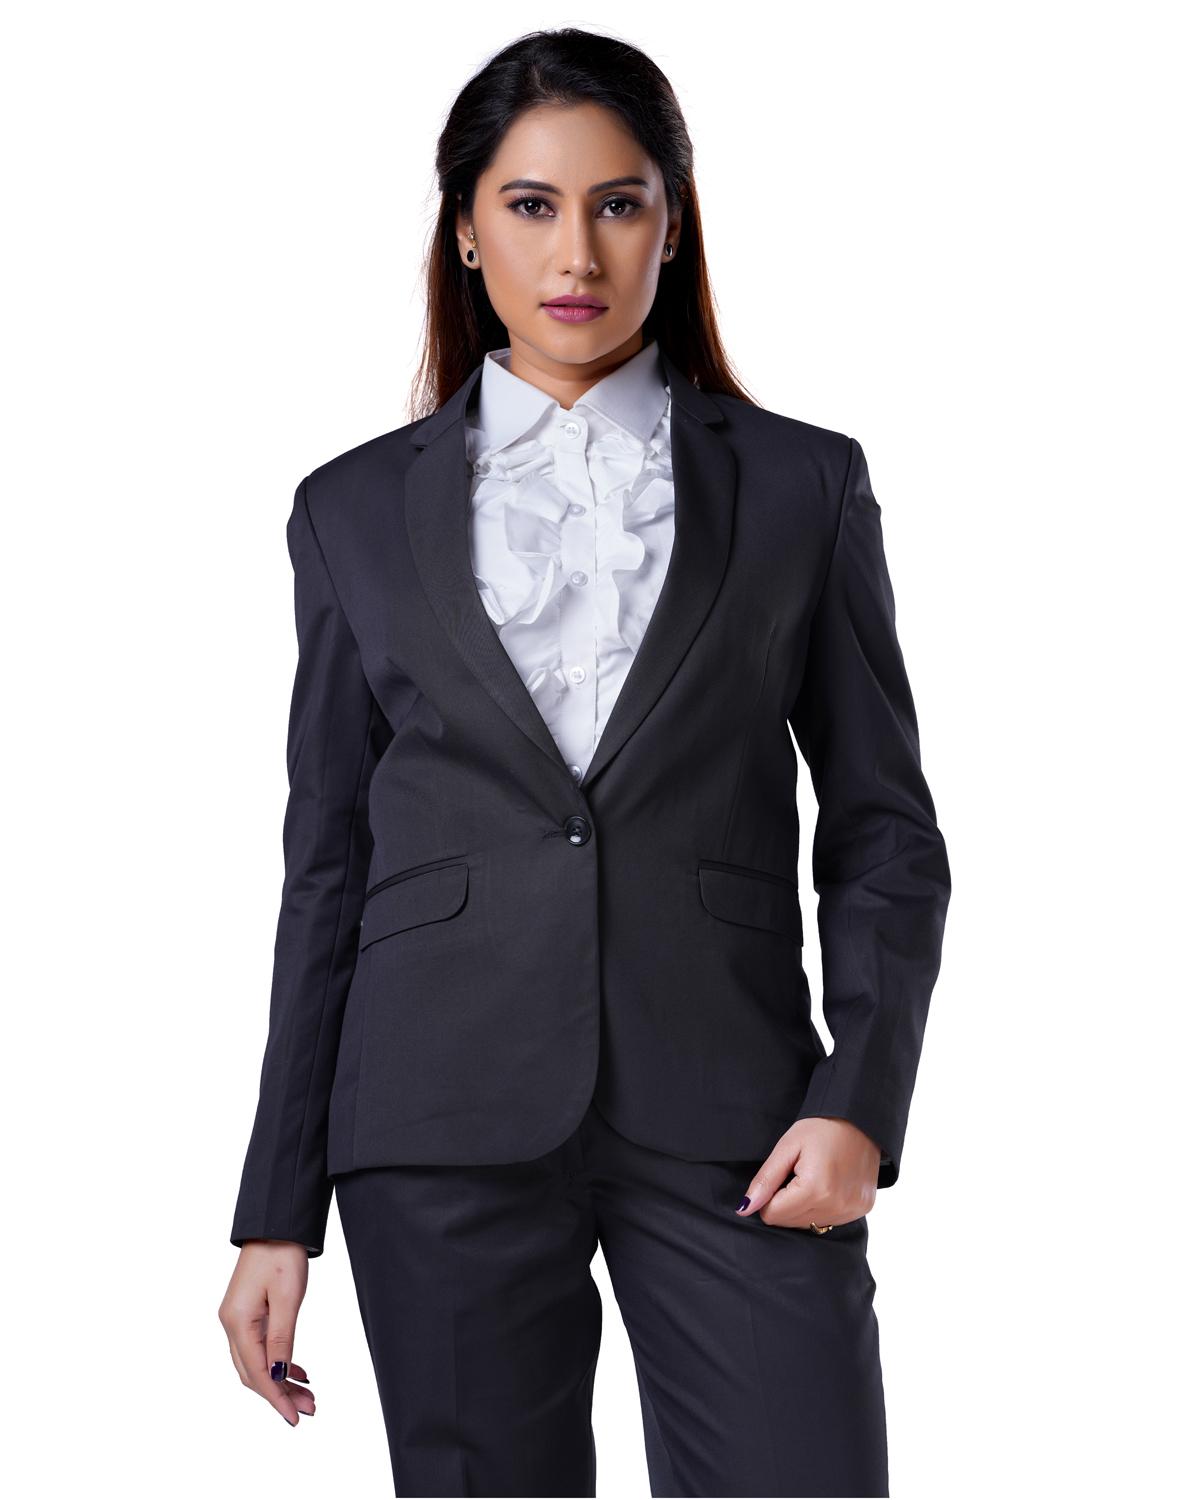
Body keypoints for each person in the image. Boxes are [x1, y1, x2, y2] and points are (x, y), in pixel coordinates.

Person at [217, 27, 951, 1499]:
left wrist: (861, 1097)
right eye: (532, 205)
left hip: (742, 1111)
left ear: (672, 226)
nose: (577, 253)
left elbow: (884, 830)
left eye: (619, 203)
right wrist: (274, 1208)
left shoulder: (802, 483)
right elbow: (328, 869)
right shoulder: (347, 511)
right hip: (437, 1115)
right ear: (466, 230)